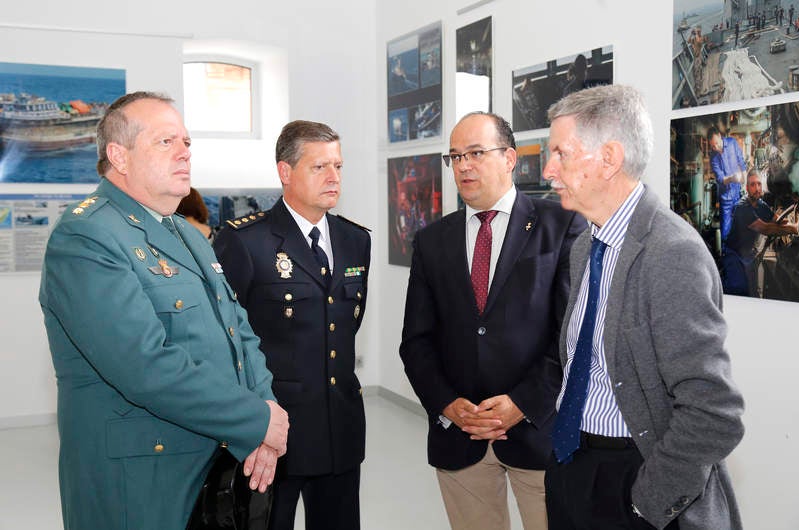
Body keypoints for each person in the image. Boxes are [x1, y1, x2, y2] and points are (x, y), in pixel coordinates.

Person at [38, 91, 289, 530]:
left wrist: (264, 405)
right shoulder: (86, 236)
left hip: (213, 458)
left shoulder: (183, 231)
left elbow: (238, 331)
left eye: (187, 142)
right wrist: (256, 420)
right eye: (165, 142)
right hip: (140, 477)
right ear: (119, 156)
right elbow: (143, 365)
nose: (184, 152)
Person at [542, 84, 745, 530]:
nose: (548, 170)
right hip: (572, 462)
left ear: (609, 159)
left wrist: (643, 505)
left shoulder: (672, 254)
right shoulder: (585, 245)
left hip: (632, 481)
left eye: (561, 153)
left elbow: (714, 412)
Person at [399, 111, 585, 530]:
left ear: (509, 158)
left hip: (540, 433)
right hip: (459, 438)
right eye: (455, 157)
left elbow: (570, 336)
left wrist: (522, 404)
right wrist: (448, 404)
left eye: (476, 153)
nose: (463, 165)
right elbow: (416, 341)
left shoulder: (561, 227)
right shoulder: (432, 242)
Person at [213, 120, 371, 530]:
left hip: (339, 428)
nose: (334, 177)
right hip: (272, 434)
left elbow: (343, 326)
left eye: (338, 166)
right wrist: (246, 425)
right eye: (319, 167)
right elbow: (225, 344)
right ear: (286, 172)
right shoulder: (246, 241)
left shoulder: (356, 240)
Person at [723, 169, 799, 296]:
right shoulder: (742, 207)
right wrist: (793, 229)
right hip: (734, 254)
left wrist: (794, 223)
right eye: (752, 185)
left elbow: (778, 220)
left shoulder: (760, 204)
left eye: (758, 184)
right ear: (747, 188)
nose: (757, 188)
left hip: (747, 253)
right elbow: (766, 229)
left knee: (751, 290)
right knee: (738, 291)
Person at [708, 126, 746, 242]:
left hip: (738, 193)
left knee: (740, 226)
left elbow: (741, 160)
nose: (715, 147)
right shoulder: (713, 157)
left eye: (716, 143)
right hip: (725, 198)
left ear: (720, 136)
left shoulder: (732, 143)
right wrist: (732, 178)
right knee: (725, 230)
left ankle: (738, 252)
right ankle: (725, 254)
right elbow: (720, 179)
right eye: (712, 146)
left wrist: (744, 178)